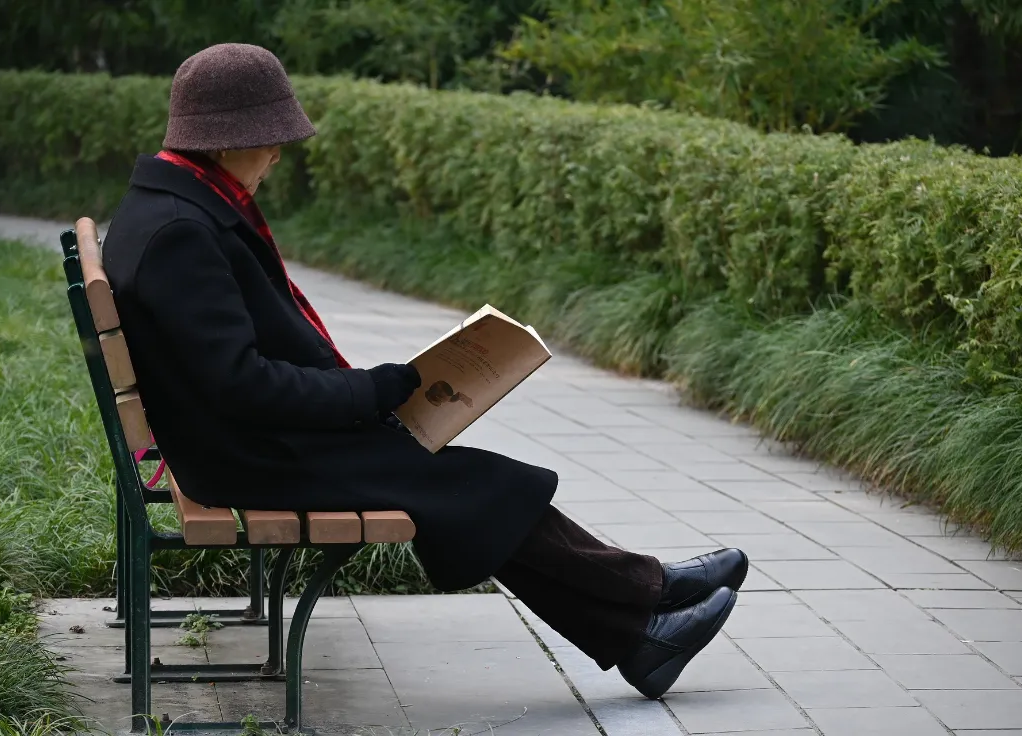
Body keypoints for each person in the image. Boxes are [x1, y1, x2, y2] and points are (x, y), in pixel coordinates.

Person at [101, 43, 748, 700]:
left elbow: (233, 376)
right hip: (248, 455)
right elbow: (243, 384)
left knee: (470, 484)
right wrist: (372, 390)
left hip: (244, 441)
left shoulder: (175, 207)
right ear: (228, 138)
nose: (276, 155)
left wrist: (376, 394)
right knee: (472, 485)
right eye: (270, 140)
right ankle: (650, 600)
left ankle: (643, 629)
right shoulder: (183, 230)